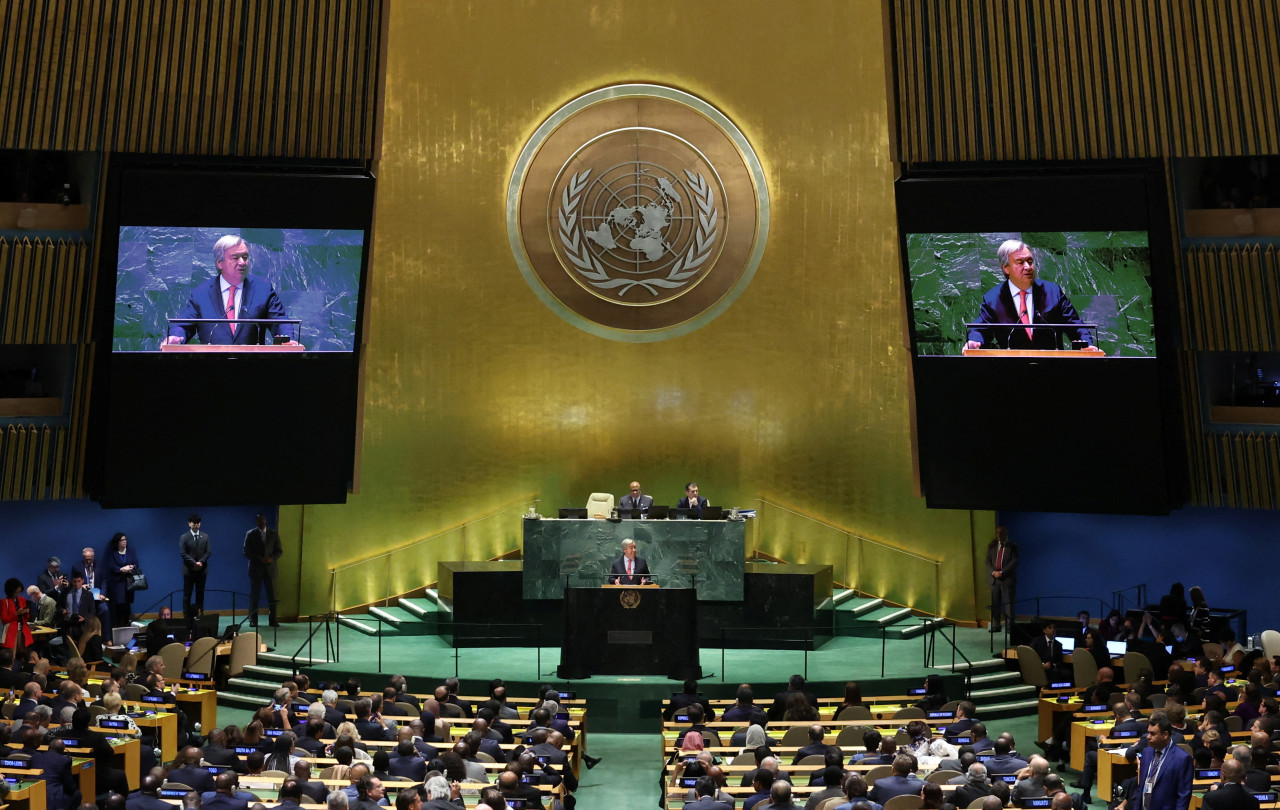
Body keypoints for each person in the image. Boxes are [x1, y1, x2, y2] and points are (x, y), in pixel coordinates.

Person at [163, 235, 300, 347]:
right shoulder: (201, 293)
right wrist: (175, 337)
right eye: (235, 258)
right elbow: (183, 324)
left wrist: (286, 340)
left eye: (245, 257)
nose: (242, 262)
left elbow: (280, 321)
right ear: (219, 263)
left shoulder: (262, 289)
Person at [964, 240, 1093, 350]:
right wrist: (974, 342)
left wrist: (1087, 344)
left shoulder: (1052, 292)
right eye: (1020, 262)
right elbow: (979, 329)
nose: (1028, 267)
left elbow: (1075, 326)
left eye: (1030, 261)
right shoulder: (993, 298)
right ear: (1006, 268)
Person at [1135, 711, 1192, 810]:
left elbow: (1184, 796)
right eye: (1148, 732)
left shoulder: (1182, 758)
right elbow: (1141, 786)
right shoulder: (1146, 752)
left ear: (1165, 735)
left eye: (1152, 734)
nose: (1148, 737)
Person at [244, 513, 283, 627]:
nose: (261, 522)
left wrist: (272, 558)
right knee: (255, 595)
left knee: (272, 596)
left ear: (265, 521)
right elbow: (246, 551)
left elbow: (279, 550)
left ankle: (273, 619)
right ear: (256, 521)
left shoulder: (273, 534)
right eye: (259, 520)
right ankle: (253, 619)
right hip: (256, 569)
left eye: (263, 520)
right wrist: (259, 559)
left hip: (271, 569)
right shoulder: (250, 534)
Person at [104, 532, 140, 628]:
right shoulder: (113, 553)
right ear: (117, 542)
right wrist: (121, 569)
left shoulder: (131, 551)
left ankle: (126, 625)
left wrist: (131, 567)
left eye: (125, 540)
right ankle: (118, 627)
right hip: (117, 583)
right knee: (118, 606)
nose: (124, 542)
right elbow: (111, 566)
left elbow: (136, 563)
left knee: (127, 606)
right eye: (122, 540)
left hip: (129, 583)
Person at [985, 526, 1017, 631]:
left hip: (1007, 579)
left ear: (1006, 533)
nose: (998, 535)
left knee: (1008, 603)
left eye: (1001, 533)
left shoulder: (1013, 546)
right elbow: (988, 562)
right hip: (994, 579)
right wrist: (994, 572)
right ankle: (995, 625)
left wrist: (1002, 572)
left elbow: (1014, 562)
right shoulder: (992, 545)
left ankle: (1009, 626)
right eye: (997, 533)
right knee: (995, 603)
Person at [180, 514, 211, 616]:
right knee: (187, 595)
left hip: (202, 571)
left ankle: (200, 616)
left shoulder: (205, 536)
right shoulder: (184, 537)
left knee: (200, 595)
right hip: (189, 570)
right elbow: (183, 553)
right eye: (194, 523)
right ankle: (186, 617)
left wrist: (200, 562)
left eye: (198, 523)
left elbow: (208, 552)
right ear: (189, 524)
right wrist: (194, 563)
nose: (196, 525)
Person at [1, 578, 33, 652]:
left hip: (23, 629)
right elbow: (4, 619)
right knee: (12, 652)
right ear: (10, 591)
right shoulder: (4, 602)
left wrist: (26, 612)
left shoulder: (22, 600)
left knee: (24, 651)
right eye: (16, 592)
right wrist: (17, 613)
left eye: (19, 592)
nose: (18, 594)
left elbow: (27, 618)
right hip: (11, 632)